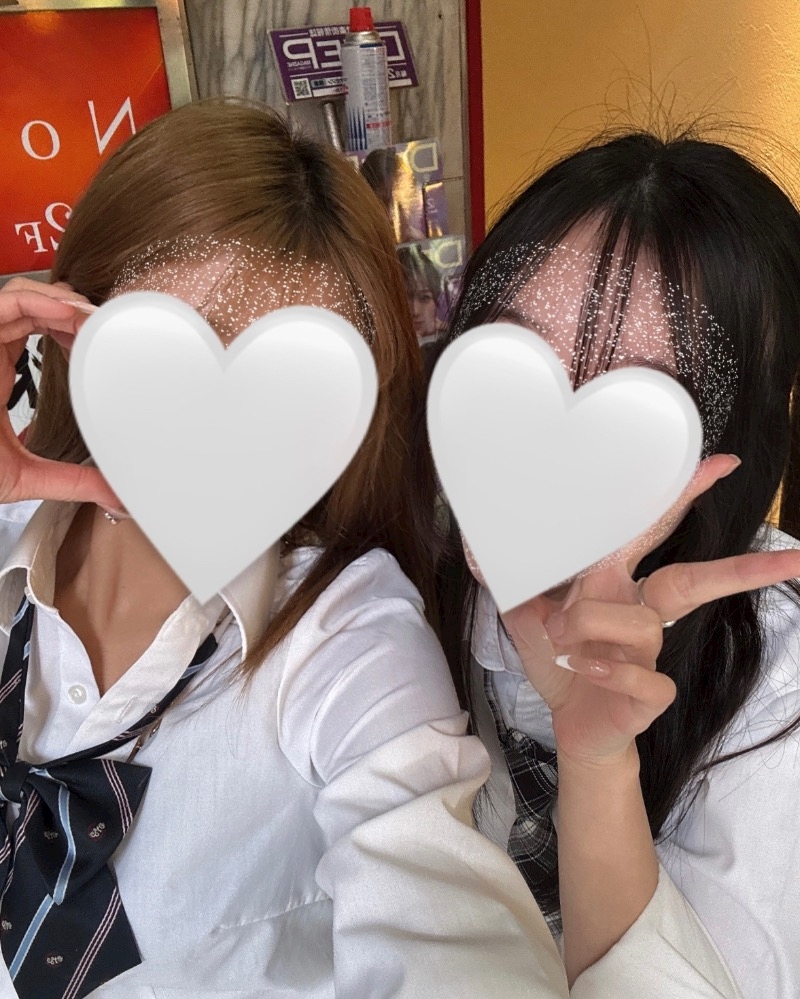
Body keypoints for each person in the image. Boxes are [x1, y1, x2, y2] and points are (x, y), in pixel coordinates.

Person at [0, 99, 582, 999]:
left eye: (287, 394)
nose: (214, 433)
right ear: (72, 326)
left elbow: (445, 923)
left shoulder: (350, 637)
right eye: (170, 352)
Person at [434, 127, 800, 999]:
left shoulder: (775, 674)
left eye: (634, 408)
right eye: (515, 366)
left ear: (729, 448)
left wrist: (597, 763)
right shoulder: (412, 559)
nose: (547, 441)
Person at [397, 242, 446, 345]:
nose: (415, 311)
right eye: (405, 300)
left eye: (424, 298)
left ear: (436, 302)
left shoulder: (452, 338)